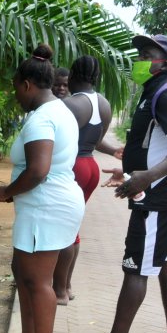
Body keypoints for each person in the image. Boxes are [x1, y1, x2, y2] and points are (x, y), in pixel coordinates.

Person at [70, 34, 167, 333]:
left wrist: (146, 177)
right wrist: (132, 173)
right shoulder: (157, 91)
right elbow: (158, 147)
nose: (139, 61)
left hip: (162, 199)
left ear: (166, 63)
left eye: (147, 55)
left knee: (137, 268)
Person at [0, 44, 83, 333]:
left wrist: (6, 192)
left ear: (27, 85)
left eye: (16, 87)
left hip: (46, 206)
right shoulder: (57, 110)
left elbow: (37, 171)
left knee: (38, 280)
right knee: (23, 271)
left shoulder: (41, 120)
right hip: (46, 205)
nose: (15, 94)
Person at [52, 55, 121, 305]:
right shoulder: (103, 103)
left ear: (73, 75)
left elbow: (57, 142)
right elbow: (96, 139)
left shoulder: (70, 105)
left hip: (72, 167)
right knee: (73, 228)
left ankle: (59, 291)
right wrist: (113, 151)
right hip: (90, 166)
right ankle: (66, 285)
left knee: (63, 230)